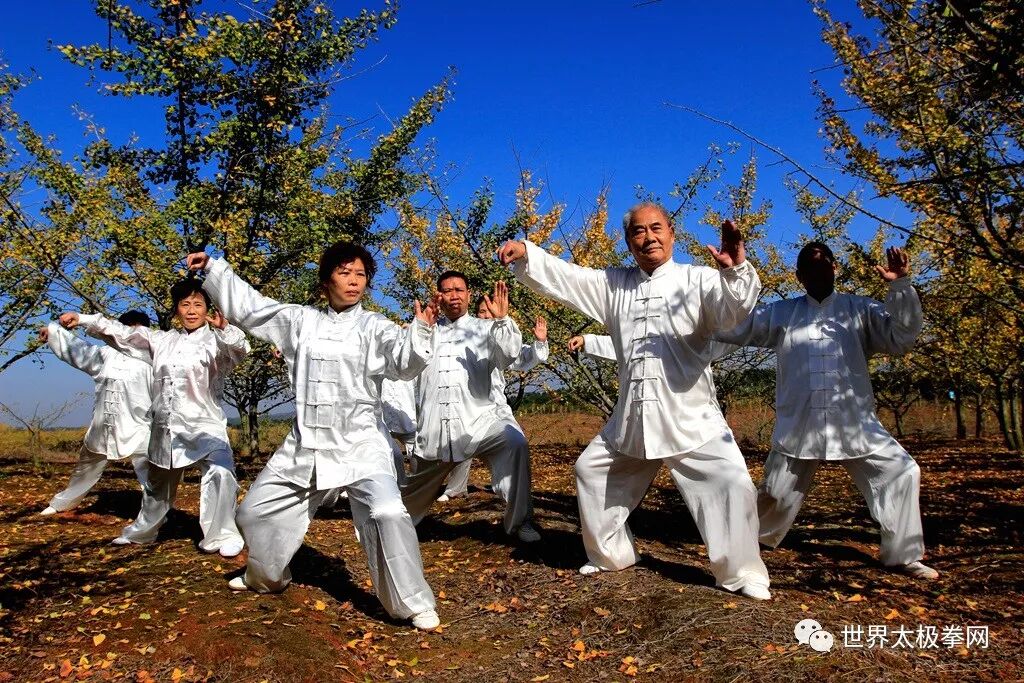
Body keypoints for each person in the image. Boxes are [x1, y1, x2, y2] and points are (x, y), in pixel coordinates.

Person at [498, 202, 772, 600]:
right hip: (633, 417)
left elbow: (734, 312)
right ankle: (611, 556)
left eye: (656, 228)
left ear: (672, 233)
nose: (649, 237)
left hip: (690, 415)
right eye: (638, 231)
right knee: (592, 471)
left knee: (730, 482)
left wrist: (735, 270)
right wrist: (528, 253)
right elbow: (570, 278)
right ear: (628, 241)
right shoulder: (614, 284)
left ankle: (742, 573)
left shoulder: (698, 280)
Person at [187, 242, 443, 630]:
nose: (354, 281)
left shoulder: (375, 326)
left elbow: (405, 364)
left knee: (388, 512)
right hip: (305, 444)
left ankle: (412, 602)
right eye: (345, 272)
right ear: (326, 282)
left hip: (361, 443)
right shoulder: (299, 320)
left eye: (360, 274)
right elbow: (252, 308)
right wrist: (213, 270)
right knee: (252, 513)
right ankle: (265, 577)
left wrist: (421, 330)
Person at [713, 242, 938, 580]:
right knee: (775, 494)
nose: (818, 272)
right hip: (799, 423)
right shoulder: (782, 313)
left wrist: (901, 287)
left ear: (835, 268)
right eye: (809, 267)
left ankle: (903, 555)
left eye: (824, 265)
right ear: (799, 276)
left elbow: (902, 337)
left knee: (901, 472)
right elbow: (733, 326)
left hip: (854, 423)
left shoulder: (860, 310)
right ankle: (746, 542)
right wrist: (724, 284)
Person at [60, 280, 249, 557]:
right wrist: (84, 319)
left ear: (208, 309)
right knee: (157, 487)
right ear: (176, 310)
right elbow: (123, 333)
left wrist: (225, 330)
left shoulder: (216, 342)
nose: (192, 311)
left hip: (204, 424)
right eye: (185, 304)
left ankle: (222, 534)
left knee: (221, 471)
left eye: (198, 305)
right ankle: (142, 532)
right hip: (166, 426)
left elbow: (240, 350)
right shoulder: (162, 340)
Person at [401, 274, 541, 543]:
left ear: (468, 294)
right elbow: (406, 365)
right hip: (436, 427)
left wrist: (503, 321)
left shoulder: (485, 329)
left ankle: (521, 521)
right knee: (411, 494)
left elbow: (509, 355)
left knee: (514, 442)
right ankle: (395, 523)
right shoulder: (426, 329)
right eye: (447, 290)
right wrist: (419, 330)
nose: (454, 295)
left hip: (480, 422)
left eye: (459, 290)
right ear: (438, 295)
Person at [38, 311, 154, 515]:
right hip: (104, 422)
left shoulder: (153, 358)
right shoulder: (105, 355)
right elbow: (78, 350)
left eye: (138, 330)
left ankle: (155, 513)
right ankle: (62, 504)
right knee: (86, 467)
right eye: (128, 329)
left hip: (139, 424)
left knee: (149, 469)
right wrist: (54, 333)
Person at [438, 308, 549, 501]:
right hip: (466, 406)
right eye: (482, 312)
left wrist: (539, 342)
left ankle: (513, 498)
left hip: (495, 408)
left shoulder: (501, 343)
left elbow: (522, 356)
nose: (486, 316)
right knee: (459, 445)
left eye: (491, 313)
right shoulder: (462, 340)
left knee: (514, 444)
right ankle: (455, 489)